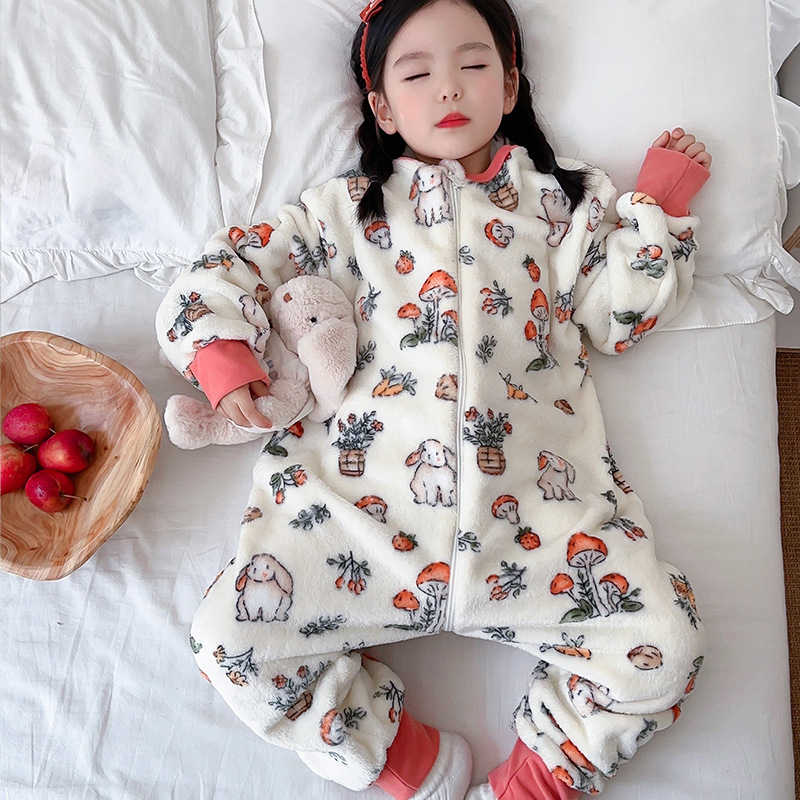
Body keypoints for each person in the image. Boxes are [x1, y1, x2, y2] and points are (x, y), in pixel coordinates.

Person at [156, 0, 711, 798]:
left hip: (538, 523)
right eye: (417, 74)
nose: (448, 87)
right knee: (224, 641)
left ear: (510, 85)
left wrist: (658, 208)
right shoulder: (342, 212)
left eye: (473, 65)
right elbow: (229, 267)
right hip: (356, 518)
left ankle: (534, 783)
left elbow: (616, 316)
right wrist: (221, 354)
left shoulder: (561, 203)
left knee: (668, 646)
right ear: (382, 107)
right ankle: (407, 763)